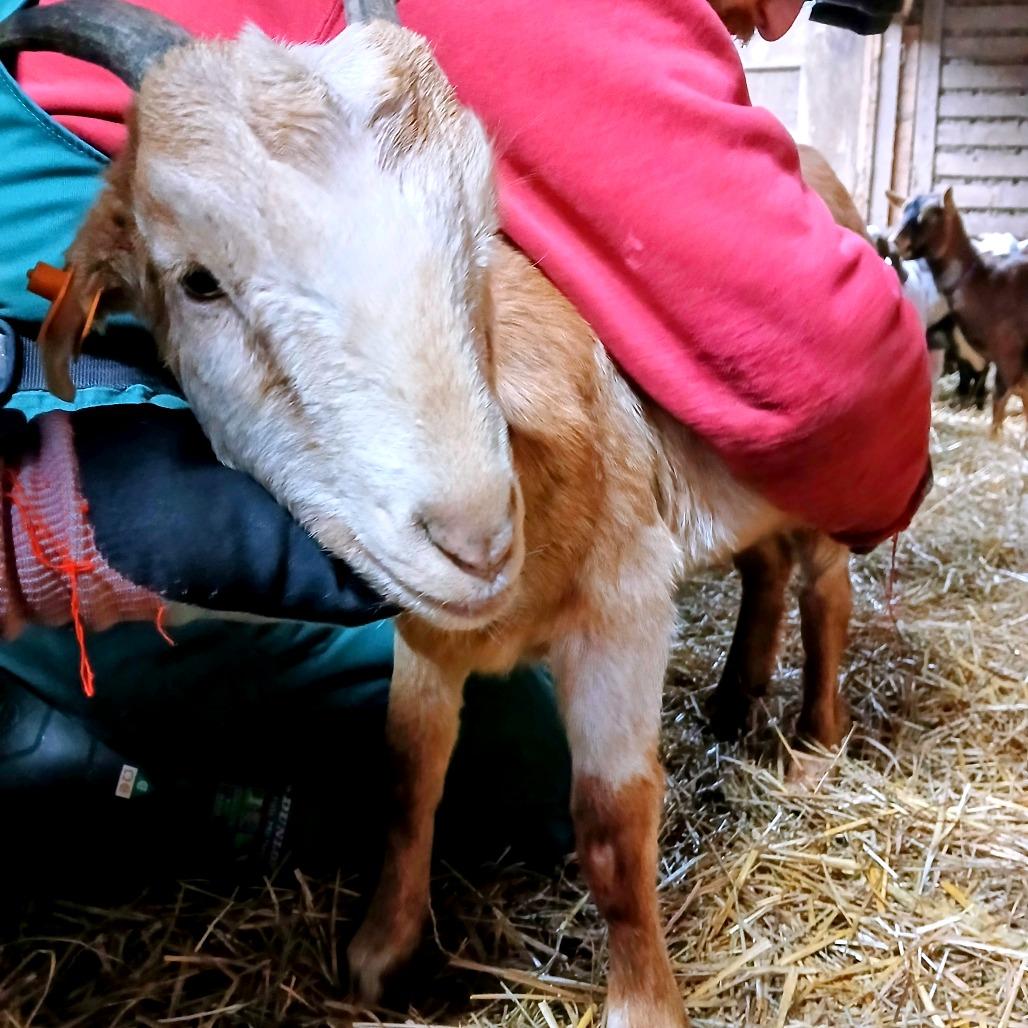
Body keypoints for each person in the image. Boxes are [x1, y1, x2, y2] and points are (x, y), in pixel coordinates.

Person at [0, 0, 921, 878]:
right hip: (110, 341)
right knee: (526, 757)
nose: (779, 22)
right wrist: (891, 489)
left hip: (65, 254)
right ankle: (160, 790)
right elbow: (831, 382)